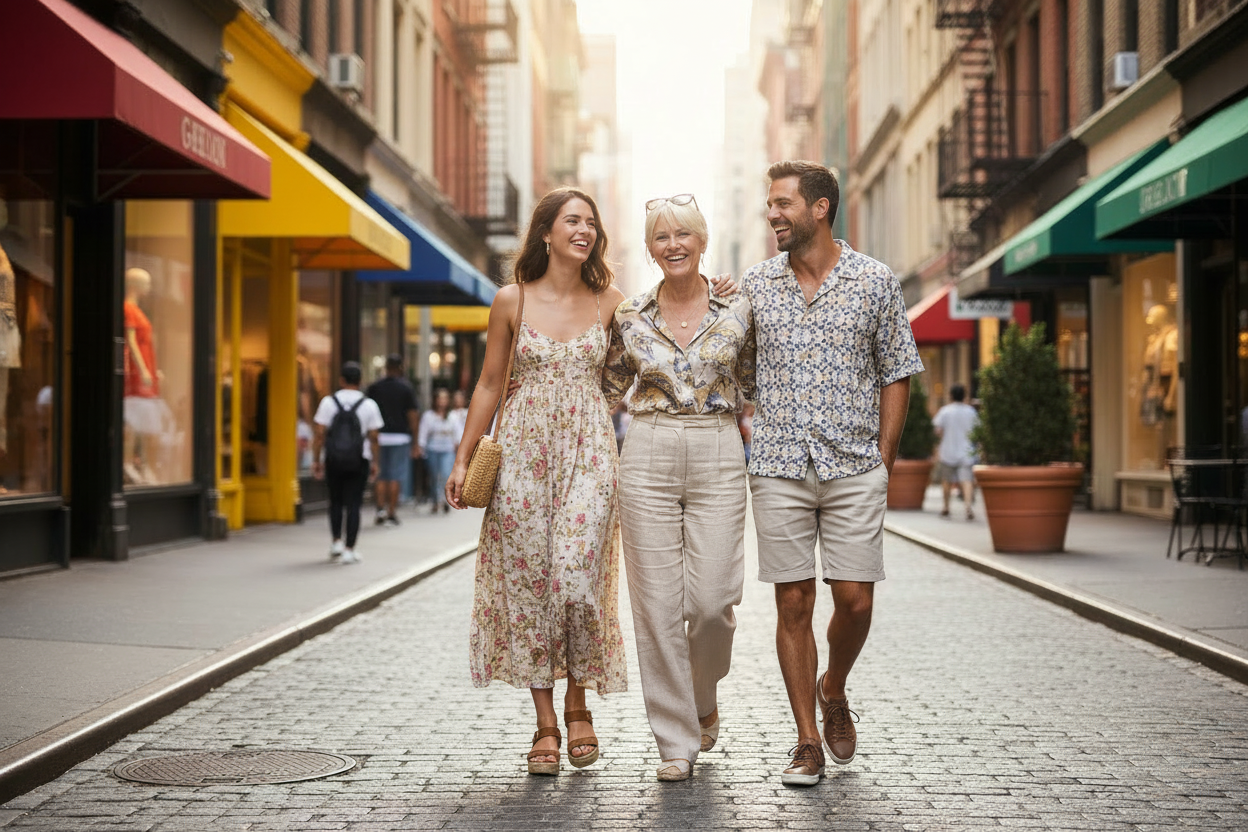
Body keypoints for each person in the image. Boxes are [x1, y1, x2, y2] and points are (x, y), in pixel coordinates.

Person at [742, 161, 924, 786]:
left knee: (856, 600)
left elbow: (896, 369)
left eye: (783, 204)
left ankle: (834, 685)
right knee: (793, 602)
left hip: (852, 466)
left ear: (820, 208)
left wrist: (884, 458)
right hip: (779, 466)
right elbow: (729, 359)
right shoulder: (755, 285)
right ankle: (806, 742)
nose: (773, 214)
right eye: (770, 204)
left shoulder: (875, 281)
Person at [445, 188, 628, 776]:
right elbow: (489, 383)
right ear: (545, 232)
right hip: (522, 457)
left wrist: (718, 290)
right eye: (572, 220)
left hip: (591, 454)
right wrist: (463, 457)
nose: (585, 230)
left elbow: (655, 350)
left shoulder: (612, 304)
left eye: (591, 223)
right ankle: (547, 722)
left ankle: (580, 701)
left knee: (575, 573)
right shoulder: (511, 300)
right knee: (529, 585)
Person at [602, 193, 755, 782]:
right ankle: (675, 741)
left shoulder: (739, 309)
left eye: (683, 234)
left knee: (713, 603)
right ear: (649, 248)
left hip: (718, 446)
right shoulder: (630, 315)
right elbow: (606, 387)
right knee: (657, 607)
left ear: (702, 240)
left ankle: (702, 692)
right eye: (661, 237)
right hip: (647, 449)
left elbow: (760, 379)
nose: (673, 245)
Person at [312, 361, 383, 565]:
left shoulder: (328, 402)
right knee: (354, 504)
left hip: (333, 458)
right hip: (359, 459)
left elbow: (319, 434)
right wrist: (375, 462)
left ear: (341, 380)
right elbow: (374, 437)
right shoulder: (369, 405)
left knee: (334, 501)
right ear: (360, 381)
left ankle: (335, 542)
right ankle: (349, 549)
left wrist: (317, 460)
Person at [366, 354, 420, 525]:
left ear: (386, 368)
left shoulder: (374, 387)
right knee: (395, 476)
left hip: (379, 436)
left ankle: (380, 509)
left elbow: (368, 413)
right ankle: (391, 512)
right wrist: (415, 441)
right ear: (400, 368)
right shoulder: (406, 388)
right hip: (399, 437)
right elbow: (413, 416)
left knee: (380, 474)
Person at [933, 383, 979, 520]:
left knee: (946, 480)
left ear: (951, 396)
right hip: (967, 451)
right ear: (964, 396)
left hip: (948, 450)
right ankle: (968, 507)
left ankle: (946, 507)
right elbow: (977, 430)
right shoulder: (971, 412)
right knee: (967, 480)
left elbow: (938, 430)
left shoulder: (945, 411)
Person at [418, 388, 462, 514]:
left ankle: (444, 500)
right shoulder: (429, 416)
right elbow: (423, 433)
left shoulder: (452, 416)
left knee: (445, 474)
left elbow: (458, 433)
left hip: (447, 450)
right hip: (433, 449)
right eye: (440, 398)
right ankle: (435, 500)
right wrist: (421, 447)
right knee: (433, 476)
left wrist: (457, 445)